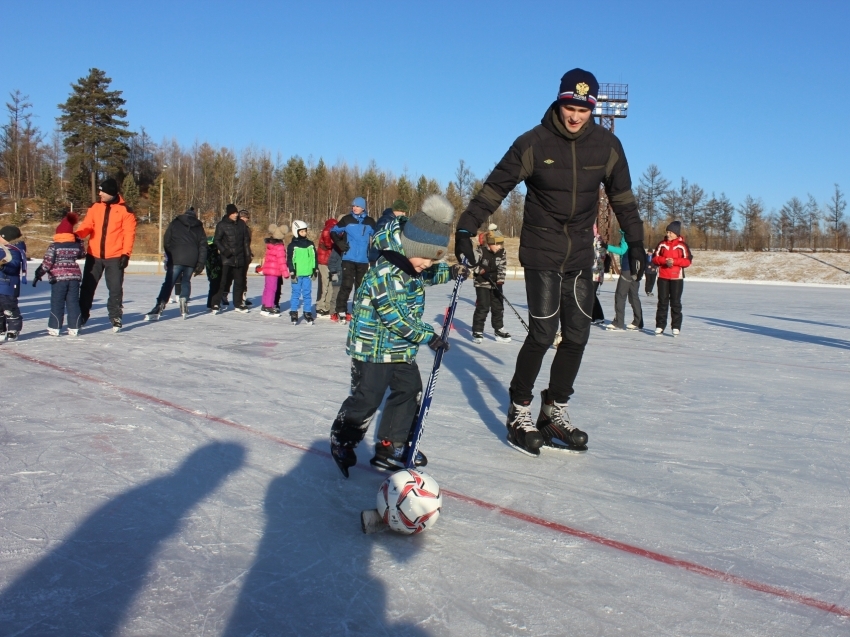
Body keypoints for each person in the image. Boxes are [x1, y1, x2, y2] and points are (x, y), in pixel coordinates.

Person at [454, 68, 645, 456]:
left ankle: (554, 409)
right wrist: (465, 228)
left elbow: (623, 198)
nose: (575, 116)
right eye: (570, 106)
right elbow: (496, 188)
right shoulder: (533, 143)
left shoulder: (607, 146)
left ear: (593, 108)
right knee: (543, 333)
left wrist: (637, 243)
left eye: (584, 108)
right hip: (541, 250)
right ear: (559, 101)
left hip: (578, 253)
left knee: (577, 335)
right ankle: (519, 409)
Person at [329, 195, 465, 477]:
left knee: (408, 390)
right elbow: (394, 316)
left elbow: (426, 274)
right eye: (426, 257)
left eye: (434, 258)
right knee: (368, 398)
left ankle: (391, 444)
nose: (428, 264)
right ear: (410, 247)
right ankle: (343, 438)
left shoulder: (409, 263)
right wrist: (429, 335)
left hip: (400, 349)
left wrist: (450, 271)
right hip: (373, 348)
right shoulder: (386, 272)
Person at [76, 178, 137, 331]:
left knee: (115, 288)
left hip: (115, 256)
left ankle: (115, 316)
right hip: (94, 255)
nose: (100, 193)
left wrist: (126, 254)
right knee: (87, 287)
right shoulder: (95, 207)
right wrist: (76, 236)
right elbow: (87, 226)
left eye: (102, 191)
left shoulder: (126, 211)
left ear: (111, 192)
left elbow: (129, 234)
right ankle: (82, 315)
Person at [146, 207, 207, 320]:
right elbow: (203, 246)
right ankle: (183, 299)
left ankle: (159, 305)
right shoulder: (199, 227)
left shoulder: (175, 223)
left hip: (176, 257)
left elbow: (167, 240)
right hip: (191, 259)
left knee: (169, 283)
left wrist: (170, 253)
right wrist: (200, 263)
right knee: (186, 281)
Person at [32, 212, 85, 336]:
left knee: (57, 302)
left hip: (58, 278)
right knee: (73, 302)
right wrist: (79, 241)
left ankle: (55, 327)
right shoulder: (76, 245)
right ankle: (75, 327)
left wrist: (39, 273)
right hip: (74, 277)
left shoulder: (54, 246)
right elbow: (82, 254)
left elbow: (47, 262)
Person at [331, 197, 376, 323]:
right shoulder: (347, 219)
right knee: (346, 285)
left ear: (363, 208)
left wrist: (373, 254)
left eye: (357, 206)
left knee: (360, 287)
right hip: (348, 258)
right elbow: (333, 231)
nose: (354, 208)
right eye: (353, 206)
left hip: (363, 259)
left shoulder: (370, 221)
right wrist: (339, 243)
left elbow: (377, 236)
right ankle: (341, 310)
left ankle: (358, 310)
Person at [652, 220, 692, 336]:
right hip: (663, 277)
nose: (668, 234)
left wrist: (674, 262)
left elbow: (688, 261)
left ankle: (676, 326)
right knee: (662, 302)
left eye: (671, 232)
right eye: (667, 232)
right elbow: (655, 258)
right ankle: (660, 325)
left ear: (676, 233)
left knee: (675, 302)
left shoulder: (682, 246)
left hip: (676, 278)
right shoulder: (662, 244)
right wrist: (664, 261)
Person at [471, 229, 511, 344]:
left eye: (500, 244)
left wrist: (500, 282)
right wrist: (482, 271)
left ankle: (499, 330)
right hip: (482, 283)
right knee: (483, 306)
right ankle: (478, 330)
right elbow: (472, 264)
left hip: (495, 284)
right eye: (497, 244)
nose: (499, 246)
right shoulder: (480, 251)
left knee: (498, 306)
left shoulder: (502, 252)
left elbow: (502, 268)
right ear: (490, 243)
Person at [211, 204, 251, 313]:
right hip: (226, 259)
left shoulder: (241, 225)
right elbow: (217, 240)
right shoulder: (222, 225)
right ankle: (215, 303)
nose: (235, 215)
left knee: (239, 282)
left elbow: (245, 241)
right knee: (222, 282)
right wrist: (224, 251)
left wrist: (247, 255)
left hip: (240, 257)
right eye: (233, 213)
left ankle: (238, 304)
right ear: (228, 214)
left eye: (236, 213)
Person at [605, 229, 643, 331]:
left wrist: (607, 247)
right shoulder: (637, 234)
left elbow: (622, 250)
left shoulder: (627, 235)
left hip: (627, 269)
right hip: (636, 270)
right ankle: (638, 321)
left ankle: (619, 322)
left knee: (620, 295)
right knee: (633, 296)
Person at [287, 220, 317, 324]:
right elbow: (290, 259)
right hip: (297, 274)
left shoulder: (310, 244)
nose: (304, 233)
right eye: (302, 231)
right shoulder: (292, 245)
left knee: (307, 294)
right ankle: (294, 311)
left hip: (307, 274)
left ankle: (307, 312)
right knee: (296, 293)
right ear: (296, 231)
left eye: (305, 231)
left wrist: (315, 269)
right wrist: (292, 271)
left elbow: (314, 257)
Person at [258, 223, 290, 316]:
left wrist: (263, 268)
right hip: (274, 271)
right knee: (272, 288)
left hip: (268, 270)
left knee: (267, 288)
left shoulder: (270, 245)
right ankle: (269, 306)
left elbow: (266, 258)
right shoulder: (279, 247)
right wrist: (285, 273)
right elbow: (282, 261)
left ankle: (265, 304)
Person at [0, 225, 26, 342]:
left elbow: (14, 266)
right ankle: (1, 329)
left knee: (9, 307)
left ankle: (13, 329)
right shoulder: (2, 248)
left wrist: (3, 266)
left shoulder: (15, 250)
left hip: (9, 285)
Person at [367, 199, 409, 264]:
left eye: (405, 212)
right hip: (379, 256)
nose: (404, 214)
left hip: (388, 256)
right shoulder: (385, 220)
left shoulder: (397, 221)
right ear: (395, 210)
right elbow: (380, 239)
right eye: (402, 211)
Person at [315, 217, 338, 316]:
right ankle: (321, 305)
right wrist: (333, 243)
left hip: (327, 260)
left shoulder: (331, 227)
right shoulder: (330, 228)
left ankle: (326, 306)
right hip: (324, 261)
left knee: (329, 283)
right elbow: (327, 240)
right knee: (326, 284)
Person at [591, 223, 607, 324]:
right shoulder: (588, 239)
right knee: (590, 294)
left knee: (591, 294)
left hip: (596, 272)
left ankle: (597, 316)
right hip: (589, 271)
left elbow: (601, 256)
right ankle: (597, 316)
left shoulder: (598, 240)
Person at [239, 209, 254, 307]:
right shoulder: (235, 227)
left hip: (245, 255)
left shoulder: (247, 229)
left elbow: (247, 243)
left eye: (246, 218)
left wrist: (249, 253)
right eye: (243, 217)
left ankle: (243, 297)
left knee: (243, 277)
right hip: (236, 255)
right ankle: (224, 294)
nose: (245, 219)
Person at [205, 236, 222, 310]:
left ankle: (210, 304)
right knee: (214, 288)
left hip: (211, 273)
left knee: (212, 288)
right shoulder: (212, 253)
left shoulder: (207, 252)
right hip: (214, 273)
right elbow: (214, 263)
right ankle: (211, 304)